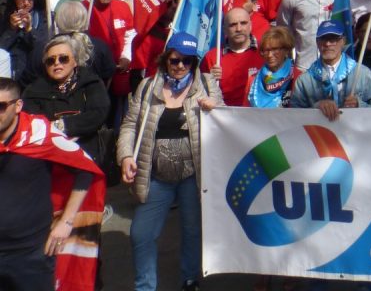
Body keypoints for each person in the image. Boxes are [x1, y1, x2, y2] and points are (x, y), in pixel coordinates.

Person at [117, 32, 222, 291]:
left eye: (187, 61)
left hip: (192, 175)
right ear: (165, 59)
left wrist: (214, 110)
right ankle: (145, 286)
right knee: (141, 233)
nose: (180, 67)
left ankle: (189, 279)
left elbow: (225, 123)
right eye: (175, 60)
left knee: (192, 230)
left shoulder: (207, 85)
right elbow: (130, 124)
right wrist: (126, 155)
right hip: (156, 176)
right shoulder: (147, 87)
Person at [0, 75, 103, 291]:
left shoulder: (40, 134)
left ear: (18, 105)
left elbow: (84, 168)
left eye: (1, 106)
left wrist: (66, 221)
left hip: (30, 254)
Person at [21, 34, 110, 163]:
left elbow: (98, 114)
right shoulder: (33, 91)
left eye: (63, 58)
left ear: (74, 61)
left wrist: (61, 125)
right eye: (50, 60)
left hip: (87, 153)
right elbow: (34, 122)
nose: (57, 63)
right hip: (50, 156)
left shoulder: (91, 83)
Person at [289, 20, 371, 120]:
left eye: (333, 39)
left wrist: (359, 104)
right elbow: (295, 118)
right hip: (319, 134)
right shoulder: (304, 80)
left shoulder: (362, 73)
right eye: (323, 39)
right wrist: (316, 108)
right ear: (317, 42)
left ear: (343, 41)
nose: (328, 44)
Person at [202, 7, 262, 107]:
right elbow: (199, 91)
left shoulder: (265, 52)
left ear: (250, 25)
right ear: (224, 29)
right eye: (233, 25)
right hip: (224, 115)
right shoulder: (212, 57)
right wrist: (208, 80)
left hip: (257, 115)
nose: (238, 29)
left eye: (243, 23)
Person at [0, 0, 48, 84]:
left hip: (33, 75)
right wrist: (11, 29)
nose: (26, 3)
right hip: (10, 73)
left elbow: (43, 48)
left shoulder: (44, 18)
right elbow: (1, 49)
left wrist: (29, 29)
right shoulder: (6, 16)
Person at [245, 27, 301, 109]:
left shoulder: (298, 77)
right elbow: (244, 112)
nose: (270, 55)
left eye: (275, 49)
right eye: (266, 50)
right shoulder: (252, 80)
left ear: (286, 50)